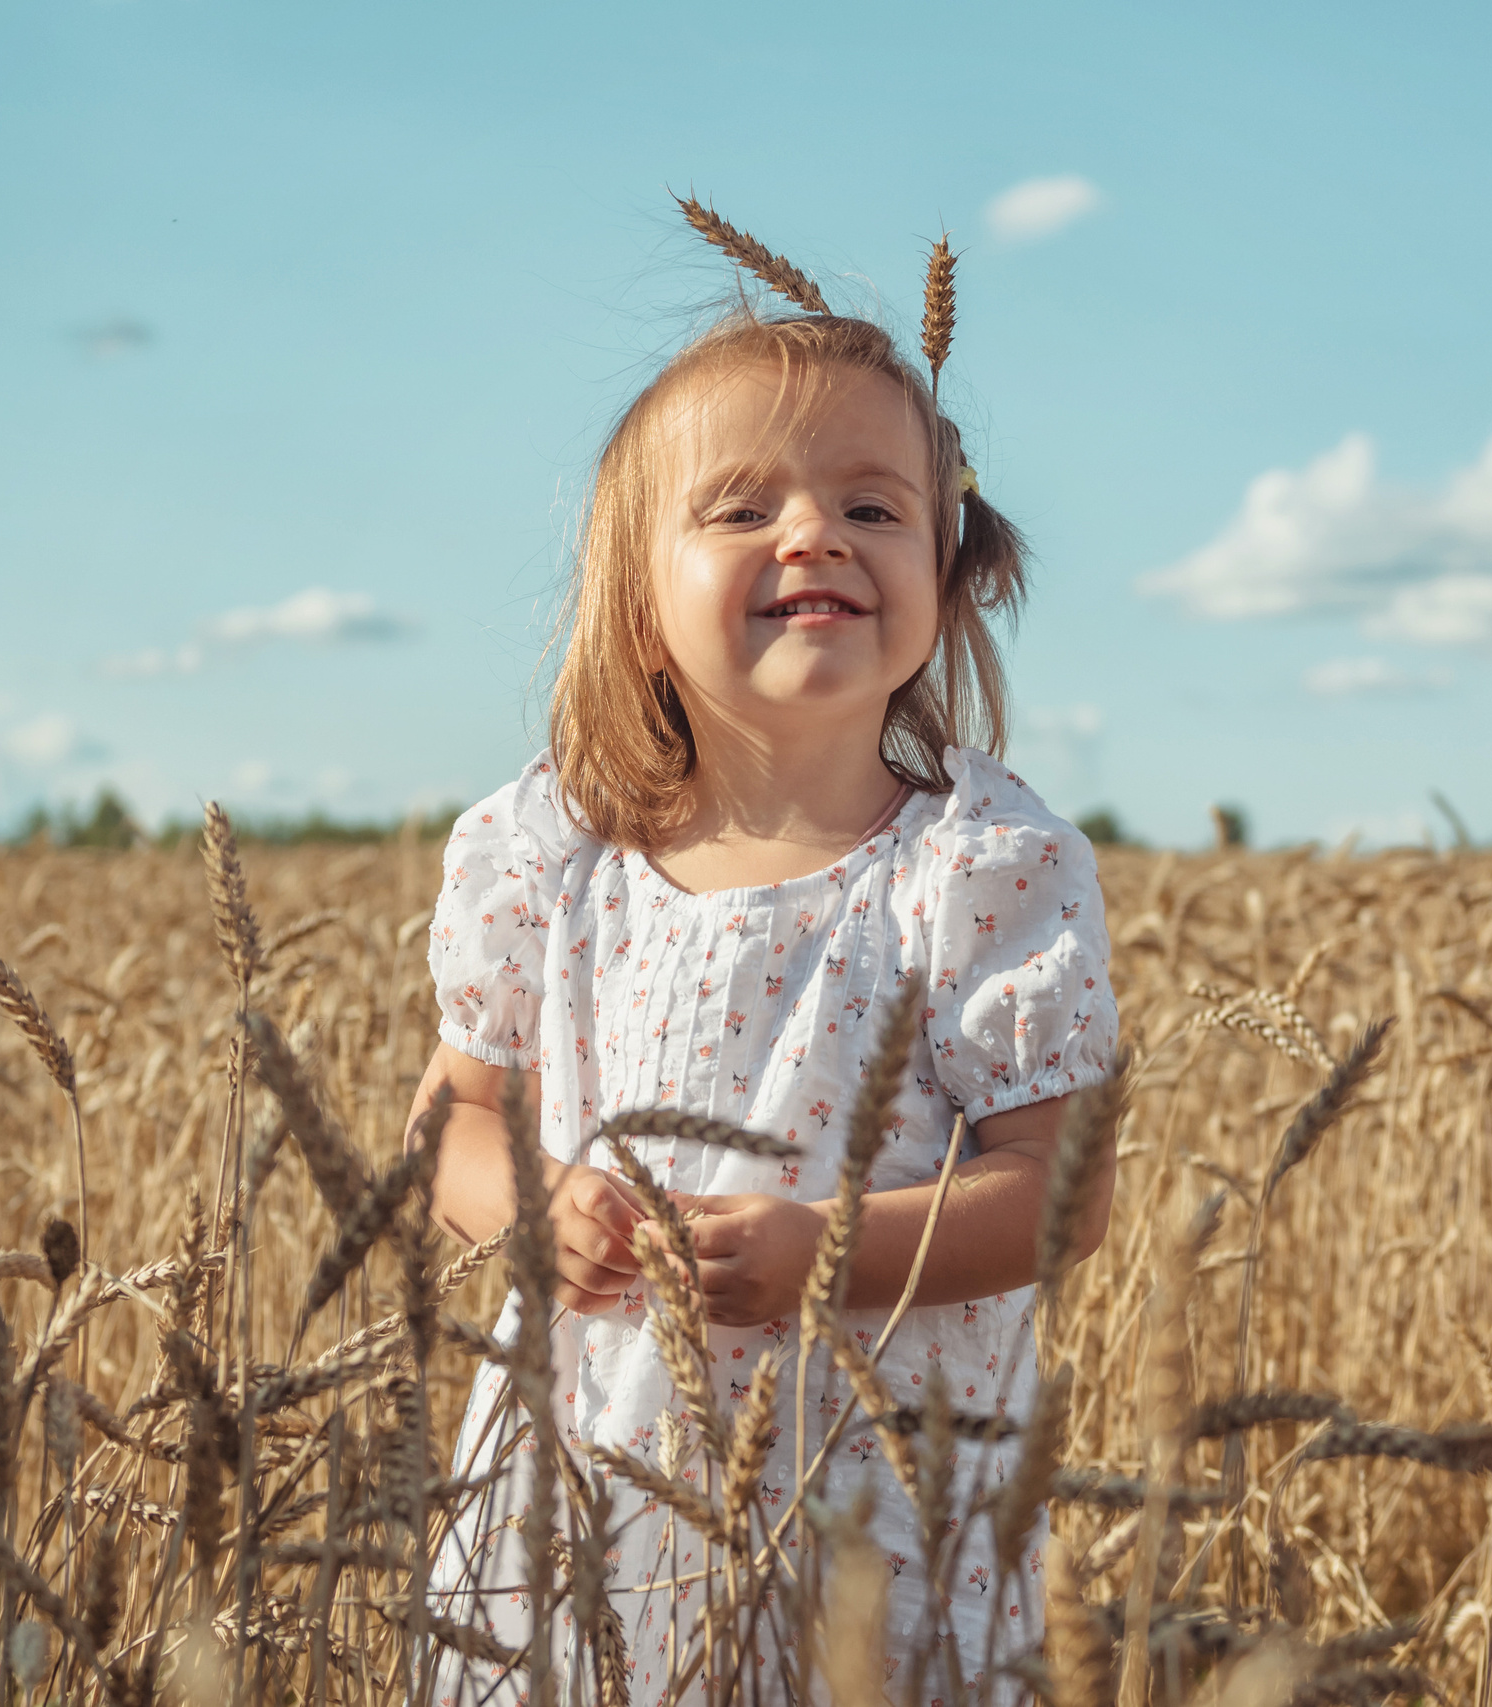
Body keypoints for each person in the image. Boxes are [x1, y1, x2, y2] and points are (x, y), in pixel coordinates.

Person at [414, 215, 1119, 1707]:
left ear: (946, 565)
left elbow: (1059, 1190)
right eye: (741, 511)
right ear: (638, 602)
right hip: (586, 1492)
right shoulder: (552, 855)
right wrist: (534, 1212)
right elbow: (453, 1125)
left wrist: (825, 1257)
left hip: (878, 1513)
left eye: (872, 508)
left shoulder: (982, 870)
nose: (814, 535)